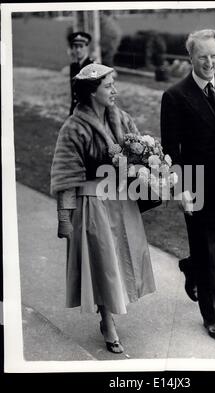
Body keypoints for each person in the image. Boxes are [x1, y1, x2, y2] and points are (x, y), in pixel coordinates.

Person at [50, 63, 156, 354]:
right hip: (92, 204)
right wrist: (64, 218)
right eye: (109, 86)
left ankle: (113, 309)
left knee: (121, 259)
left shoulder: (121, 119)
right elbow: (65, 176)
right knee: (102, 266)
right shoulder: (73, 128)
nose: (115, 91)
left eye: (114, 85)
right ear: (91, 91)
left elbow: (140, 153)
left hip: (121, 201)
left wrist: (150, 168)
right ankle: (106, 320)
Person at [161, 29, 215, 342]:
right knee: (206, 250)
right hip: (195, 182)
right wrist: (181, 185)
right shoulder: (175, 96)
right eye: (202, 57)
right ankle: (213, 317)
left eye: (213, 55)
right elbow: (171, 148)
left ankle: (191, 268)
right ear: (190, 58)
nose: (209, 62)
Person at [68, 32, 94, 114]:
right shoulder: (74, 66)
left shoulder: (92, 66)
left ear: (87, 47)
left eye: (81, 46)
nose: (78, 50)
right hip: (75, 110)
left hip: (88, 112)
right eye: (75, 47)